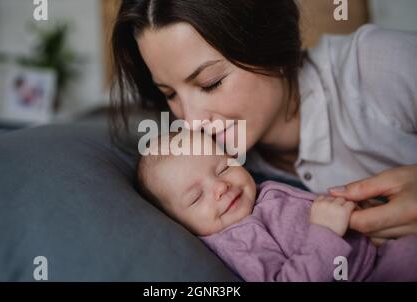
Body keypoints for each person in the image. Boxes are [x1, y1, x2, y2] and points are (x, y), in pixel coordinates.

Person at [111, 0, 417, 241]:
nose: (190, 121)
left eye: (210, 83)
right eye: (169, 93)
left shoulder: (377, 65)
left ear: (268, 44)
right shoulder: (215, 175)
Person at [136, 131, 417, 281]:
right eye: (196, 197)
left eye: (223, 168)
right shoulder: (238, 240)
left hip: (377, 251)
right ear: (177, 223)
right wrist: (325, 233)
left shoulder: (257, 195)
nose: (220, 187)